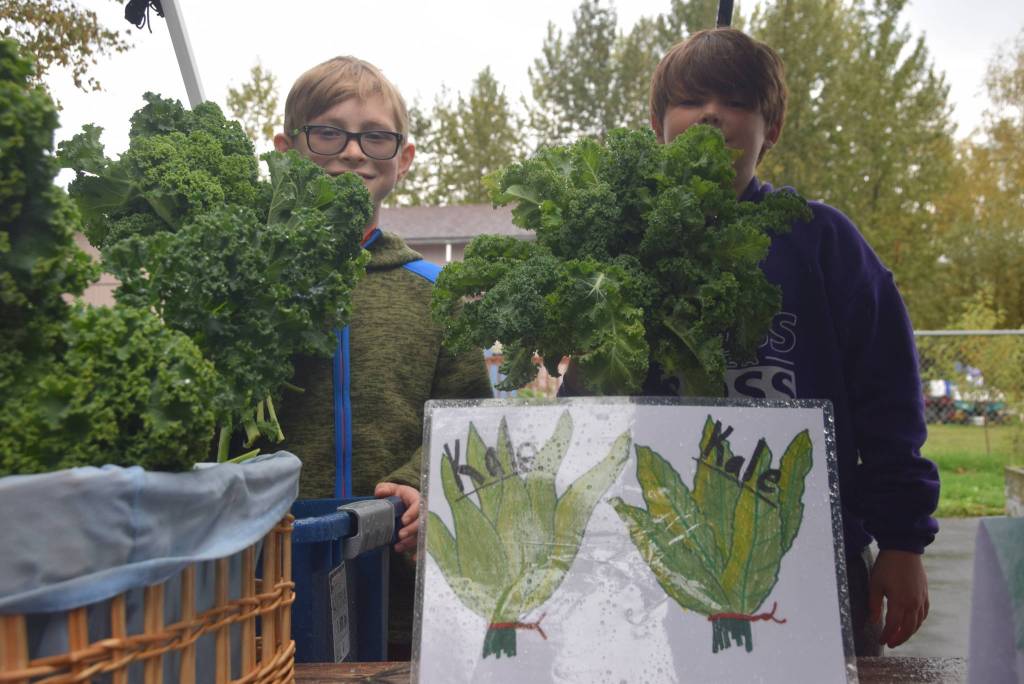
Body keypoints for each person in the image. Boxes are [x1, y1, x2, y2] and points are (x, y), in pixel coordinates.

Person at [643, 28, 940, 655]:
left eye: (737, 101)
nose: (713, 114)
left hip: (821, 559)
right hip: (657, 568)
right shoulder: (626, 250)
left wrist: (902, 540)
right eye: (691, 99)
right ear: (657, 124)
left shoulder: (822, 240)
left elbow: (889, 397)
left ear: (769, 130)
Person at [271, 56, 495, 657]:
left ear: (404, 157)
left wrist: (420, 483)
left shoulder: (434, 290)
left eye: (374, 135)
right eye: (327, 132)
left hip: (403, 592)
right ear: (287, 148)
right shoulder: (255, 283)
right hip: (265, 584)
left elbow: (468, 418)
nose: (352, 151)